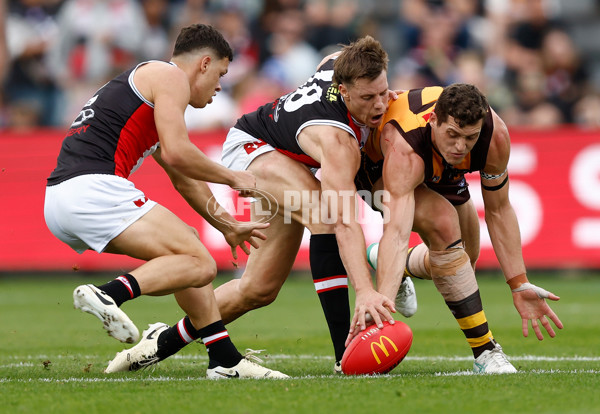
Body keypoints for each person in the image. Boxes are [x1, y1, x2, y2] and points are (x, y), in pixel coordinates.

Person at [43, 24, 287, 379]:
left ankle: (224, 360)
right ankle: (110, 293)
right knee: (201, 264)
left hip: (61, 201)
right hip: (92, 188)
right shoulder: (168, 75)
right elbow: (178, 153)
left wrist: (226, 223)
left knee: (187, 247)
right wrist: (233, 177)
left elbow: (184, 179)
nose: (220, 86)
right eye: (220, 73)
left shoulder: (149, 87)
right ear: (203, 63)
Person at [214, 35, 399, 372]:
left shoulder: (340, 63)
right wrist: (365, 290)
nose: (380, 105)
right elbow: (345, 221)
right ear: (343, 91)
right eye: (367, 97)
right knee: (326, 216)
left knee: (258, 289)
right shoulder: (336, 140)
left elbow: (330, 60)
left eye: (383, 92)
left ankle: (165, 336)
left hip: (289, 159)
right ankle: (343, 354)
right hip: (252, 146)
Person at [356, 83, 564, 373]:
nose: (460, 146)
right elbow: (397, 231)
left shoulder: (494, 136)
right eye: (452, 134)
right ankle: (486, 351)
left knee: (463, 260)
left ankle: (398, 263)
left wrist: (519, 283)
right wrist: (384, 304)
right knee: (443, 222)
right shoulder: (405, 146)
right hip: (375, 169)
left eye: (469, 138)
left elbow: (499, 209)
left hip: (438, 165)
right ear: (434, 121)